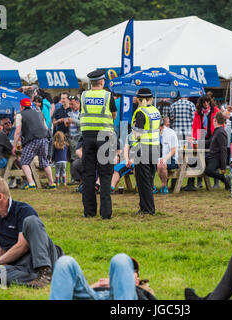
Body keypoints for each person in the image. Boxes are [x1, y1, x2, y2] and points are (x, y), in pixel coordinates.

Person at [0, 178, 63, 288]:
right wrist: (2, 266)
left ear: (0, 197)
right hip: (22, 263)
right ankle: (40, 277)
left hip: (43, 255)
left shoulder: (24, 210)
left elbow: (22, 246)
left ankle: (45, 270)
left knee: (31, 221)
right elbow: (0, 243)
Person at [80, 69, 117, 219]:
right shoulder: (108, 96)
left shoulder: (83, 95)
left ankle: (89, 211)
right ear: (102, 82)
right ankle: (106, 213)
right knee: (106, 175)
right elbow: (113, 115)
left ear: (91, 83)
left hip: (87, 137)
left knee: (88, 174)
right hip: (105, 136)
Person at [49, 253, 156, 300]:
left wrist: (119, 283)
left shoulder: (142, 289)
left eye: (132, 270)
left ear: (137, 279)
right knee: (65, 261)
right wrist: (92, 286)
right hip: (93, 295)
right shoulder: (99, 284)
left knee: (121, 259)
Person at [13, 98, 56, 190]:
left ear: (21, 106)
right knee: (45, 162)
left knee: (24, 162)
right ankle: (52, 183)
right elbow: (46, 128)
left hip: (32, 139)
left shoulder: (20, 115)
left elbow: (17, 132)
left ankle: (31, 183)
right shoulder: (39, 113)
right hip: (44, 138)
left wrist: (14, 146)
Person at [131, 88, 161, 215]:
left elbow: (138, 133)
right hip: (155, 147)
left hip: (143, 148)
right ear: (150, 98)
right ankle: (144, 207)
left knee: (143, 181)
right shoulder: (155, 111)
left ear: (139, 99)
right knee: (149, 179)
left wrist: (133, 129)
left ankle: (148, 209)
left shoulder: (141, 112)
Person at [204, 112, 230, 190]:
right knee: (194, 162)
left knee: (208, 171)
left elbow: (223, 150)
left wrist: (223, 167)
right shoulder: (217, 131)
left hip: (216, 158)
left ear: (215, 120)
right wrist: (195, 142)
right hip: (210, 156)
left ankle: (224, 178)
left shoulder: (221, 132)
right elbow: (209, 142)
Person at [156, 117, 179, 194]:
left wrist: (165, 158)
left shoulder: (170, 133)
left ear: (161, 126)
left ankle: (164, 185)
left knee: (161, 164)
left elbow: (173, 150)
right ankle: (150, 186)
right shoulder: (153, 132)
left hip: (171, 158)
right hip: (158, 157)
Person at [66, 95, 81, 183]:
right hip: (70, 138)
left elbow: (83, 124)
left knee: (76, 158)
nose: (71, 106)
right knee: (71, 159)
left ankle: (77, 178)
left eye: (73, 104)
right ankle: (73, 177)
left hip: (78, 138)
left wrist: (73, 120)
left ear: (78, 103)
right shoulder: (69, 112)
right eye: (70, 104)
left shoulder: (82, 113)